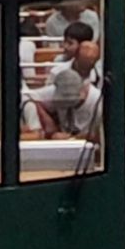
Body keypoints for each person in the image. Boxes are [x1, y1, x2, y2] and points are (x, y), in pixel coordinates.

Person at [35, 16, 105, 152]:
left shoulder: (98, 93)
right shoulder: (58, 73)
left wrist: (73, 140)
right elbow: (39, 99)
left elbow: (100, 131)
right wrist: (52, 128)